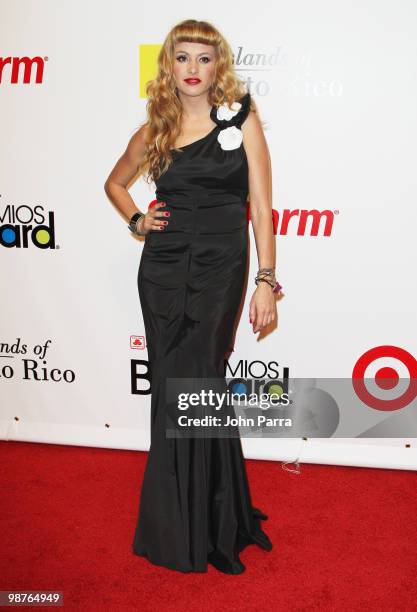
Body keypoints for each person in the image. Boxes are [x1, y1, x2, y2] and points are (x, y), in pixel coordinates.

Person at [104, 19, 282, 574]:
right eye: (183, 58)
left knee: (199, 383)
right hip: (161, 272)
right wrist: (137, 219)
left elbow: (260, 204)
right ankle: (185, 519)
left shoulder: (242, 118)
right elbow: (114, 181)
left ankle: (214, 520)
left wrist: (265, 281)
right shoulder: (155, 128)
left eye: (204, 59)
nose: (193, 69)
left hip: (221, 269)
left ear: (218, 65)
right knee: (176, 390)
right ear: (169, 65)